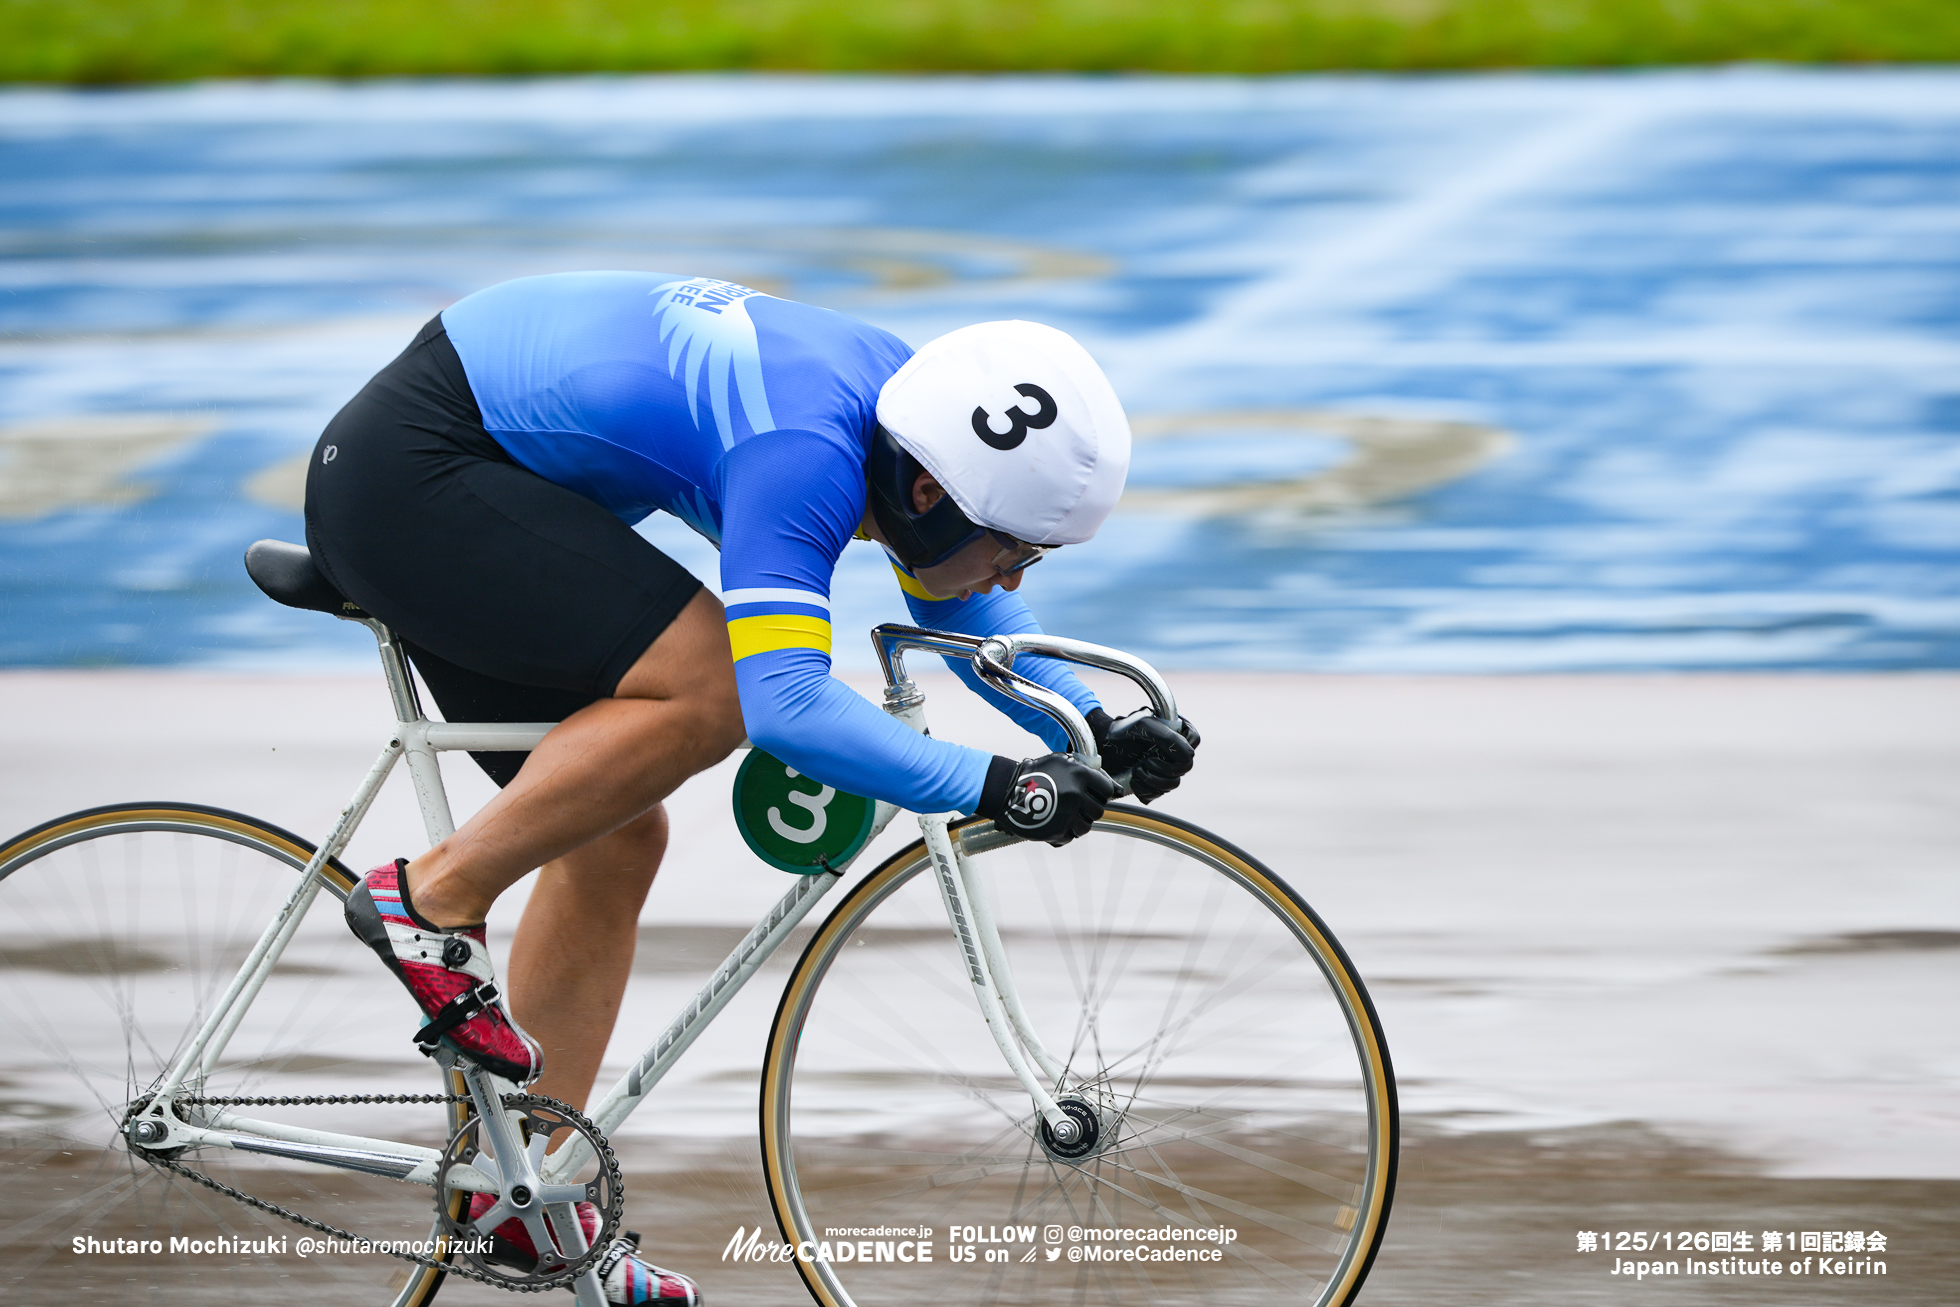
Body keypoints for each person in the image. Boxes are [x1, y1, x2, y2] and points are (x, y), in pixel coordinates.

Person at [306, 271, 1199, 1304]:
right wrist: (995, 782)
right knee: (708, 688)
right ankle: (428, 895)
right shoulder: (807, 454)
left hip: (469, 459)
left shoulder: (913, 419)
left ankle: (516, 1198)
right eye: (1016, 550)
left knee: (614, 833)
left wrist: (1092, 721)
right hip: (415, 468)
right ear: (929, 495)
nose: (1015, 580)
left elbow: (962, 624)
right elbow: (781, 702)